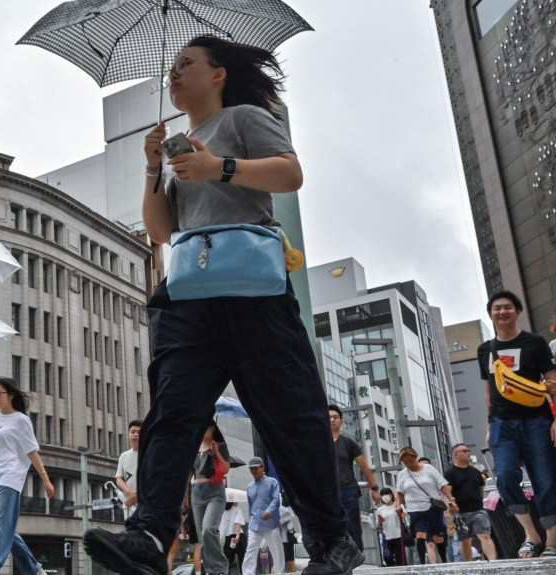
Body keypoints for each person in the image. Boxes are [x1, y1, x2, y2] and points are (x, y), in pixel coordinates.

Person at [82, 34, 359, 575]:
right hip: (189, 296)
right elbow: (160, 231)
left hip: (254, 290)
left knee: (291, 417)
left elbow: (289, 174)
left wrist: (220, 169)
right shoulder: (180, 145)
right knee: (171, 412)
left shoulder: (243, 119)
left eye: (187, 64)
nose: (174, 74)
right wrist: (152, 167)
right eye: (172, 67)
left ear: (218, 75)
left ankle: (331, 541)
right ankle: (149, 535)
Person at [476, 290, 556, 559]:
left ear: (517, 311)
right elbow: (489, 391)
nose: (502, 312)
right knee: (505, 475)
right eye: (497, 308)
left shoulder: (534, 342)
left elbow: (553, 382)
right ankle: (531, 535)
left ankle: (552, 542)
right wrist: (490, 426)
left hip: (537, 420)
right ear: (490, 313)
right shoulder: (485, 349)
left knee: (544, 479)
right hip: (501, 423)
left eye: (508, 307)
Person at [0, 377, 54, 575]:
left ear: (11, 395)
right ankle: (34, 570)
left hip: (9, 479)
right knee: (7, 530)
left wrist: (45, 479)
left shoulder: (21, 420)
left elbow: (31, 451)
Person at [328, 405, 381, 551]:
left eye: (335, 417)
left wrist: (374, 488)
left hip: (348, 489)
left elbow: (364, 467)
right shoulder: (319, 443)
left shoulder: (348, 443)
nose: (332, 420)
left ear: (341, 421)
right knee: (333, 526)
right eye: (329, 417)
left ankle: (357, 555)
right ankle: (338, 556)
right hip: (328, 492)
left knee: (352, 524)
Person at [395, 446, 453, 565]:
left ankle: (444, 561)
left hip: (433, 507)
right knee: (420, 535)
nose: (408, 464)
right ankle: (422, 564)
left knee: (438, 537)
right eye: (405, 463)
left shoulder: (428, 469)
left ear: (415, 457)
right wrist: (398, 506)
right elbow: (399, 494)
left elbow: (442, 485)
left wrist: (451, 499)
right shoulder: (402, 474)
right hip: (415, 509)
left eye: (410, 461)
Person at [444, 443, 497, 561]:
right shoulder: (450, 473)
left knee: (485, 536)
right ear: (456, 454)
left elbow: (481, 488)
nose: (468, 453)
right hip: (460, 513)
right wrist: (451, 504)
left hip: (478, 510)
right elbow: (447, 492)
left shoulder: (475, 471)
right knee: (465, 541)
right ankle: (469, 565)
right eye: (465, 451)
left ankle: (493, 562)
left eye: (469, 451)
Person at [190, 424, 230, 575]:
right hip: (196, 493)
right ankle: (211, 571)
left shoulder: (220, 445)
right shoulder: (194, 447)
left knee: (208, 529)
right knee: (202, 538)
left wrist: (217, 453)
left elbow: (226, 469)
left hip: (215, 492)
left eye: (206, 427)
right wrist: (184, 495)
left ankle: (220, 569)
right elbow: (190, 471)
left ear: (213, 428)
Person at [242, 458, 284, 575]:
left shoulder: (272, 482)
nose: (254, 471)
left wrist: (269, 511)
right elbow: (250, 507)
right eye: (251, 469)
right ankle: (247, 573)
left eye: (256, 468)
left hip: (271, 524)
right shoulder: (249, 487)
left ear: (262, 467)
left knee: (277, 550)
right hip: (255, 525)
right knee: (250, 550)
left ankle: (280, 572)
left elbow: (276, 499)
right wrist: (251, 521)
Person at [116, 419, 143, 516]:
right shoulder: (124, 456)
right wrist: (130, 493)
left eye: (139, 432)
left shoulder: (150, 454)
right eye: (132, 432)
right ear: (128, 434)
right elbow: (119, 479)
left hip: (146, 502)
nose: (135, 434)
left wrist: (137, 494)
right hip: (129, 504)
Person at [373, 488, 405, 566]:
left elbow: (404, 516)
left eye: (386, 494)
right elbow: (378, 524)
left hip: (398, 535)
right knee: (387, 557)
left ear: (391, 495)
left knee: (400, 558)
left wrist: (398, 510)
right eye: (383, 495)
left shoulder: (398, 505)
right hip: (386, 536)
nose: (385, 497)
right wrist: (380, 521)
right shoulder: (380, 509)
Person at [221, 502, 247, 575]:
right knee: (243, 560)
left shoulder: (220, 511)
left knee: (227, 562)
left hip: (226, 538)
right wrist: (237, 536)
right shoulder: (237, 510)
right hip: (238, 538)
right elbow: (237, 523)